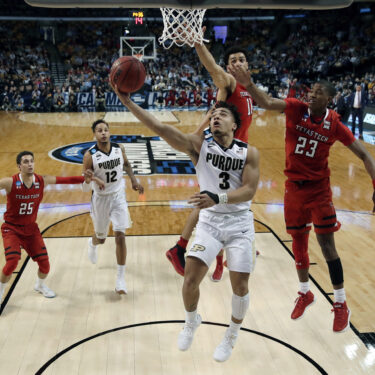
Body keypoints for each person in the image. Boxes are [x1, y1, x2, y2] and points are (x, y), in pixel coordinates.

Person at [114, 83, 259, 361]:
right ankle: (192, 320)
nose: (215, 117)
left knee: (240, 286)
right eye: (213, 114)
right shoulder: (198, 145)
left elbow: (249, 191)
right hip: (210, 222)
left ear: (235, 124)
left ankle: (231, 334)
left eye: (222, 115)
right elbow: (159, 127)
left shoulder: (248, 153)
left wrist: (217, 197)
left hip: (240, 223)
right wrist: (127, 102)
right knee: (190, 279)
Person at [229, 65, 375, 332]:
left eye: (318, 93)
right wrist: (248, 85)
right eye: (312, 91)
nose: (311, 95)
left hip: (319, 190)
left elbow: (364, 155)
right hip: (293, 189)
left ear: (329, 99)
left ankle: (341, 303)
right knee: (298, 245)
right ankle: (305, 293)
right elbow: (266, 101)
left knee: (327, 246)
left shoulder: (335, 125)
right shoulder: (295, 107)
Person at [166, 40, 255, 282]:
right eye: (232, 60)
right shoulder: (230, 82)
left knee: (228, 203)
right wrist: (197, 43)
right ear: (228, 66)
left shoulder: (249, 88)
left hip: (237, 151)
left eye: (241, 59)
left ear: (248, 64)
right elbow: (213, 69)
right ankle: (188, 250)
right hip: (222, 151)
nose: (237, 63)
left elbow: (216, 108)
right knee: (213, 203)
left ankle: (227, 244)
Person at [0, 151, 104, 307]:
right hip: (11, 228)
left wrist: (90, 178)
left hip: (31, 229)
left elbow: (66, 179)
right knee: (13, 261)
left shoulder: (41, 180)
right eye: (26, 161)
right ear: (19, 166)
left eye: (31, 161)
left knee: (45, 264)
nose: (30, 164)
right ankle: (0, 292)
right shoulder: (10, 182)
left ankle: (40, 286)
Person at [83, 119, 144, 295]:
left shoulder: (119, 149)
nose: (103, 133)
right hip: (100, 199)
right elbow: (85, 184)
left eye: (106, 130)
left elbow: (126, 164)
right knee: (101, 238)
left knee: (120, 235)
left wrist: (133, 180)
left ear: (109, 132)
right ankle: (92, 243)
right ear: (94, 134)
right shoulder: (90, 155)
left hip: (118, 196)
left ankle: (120, 279)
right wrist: (93, 179)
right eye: (99, 130)